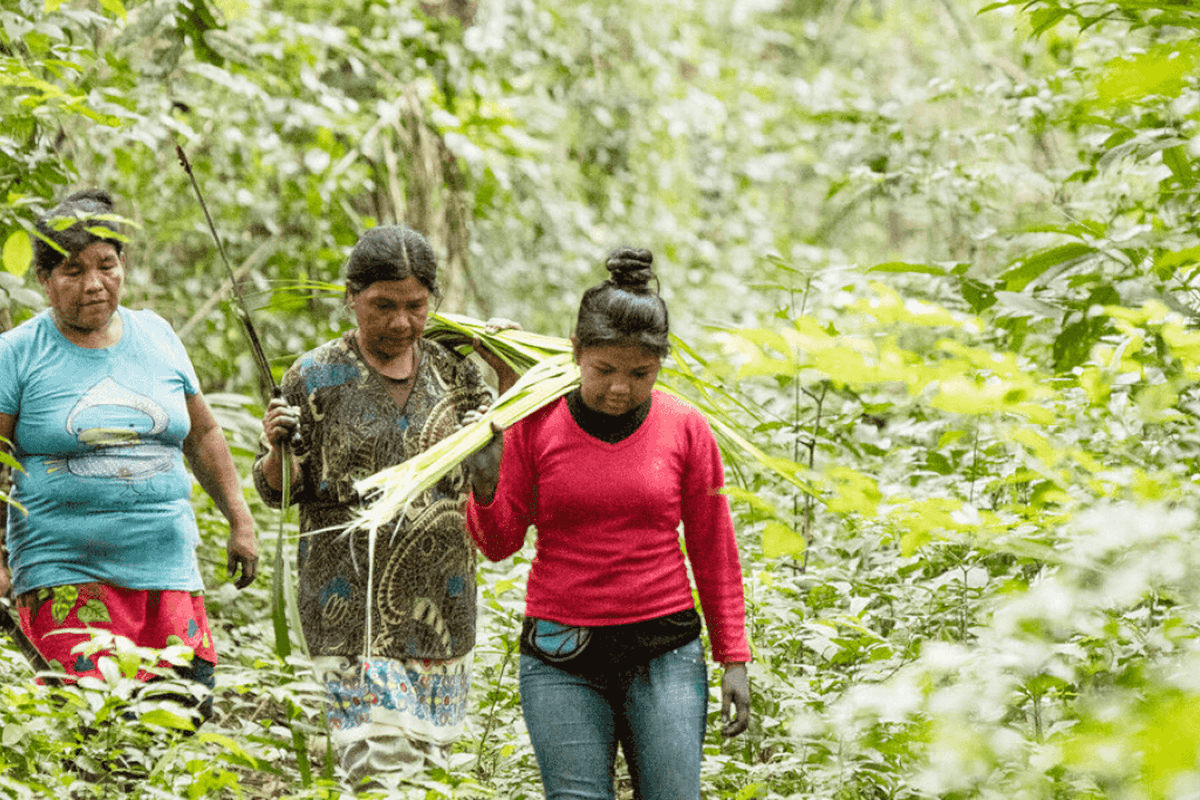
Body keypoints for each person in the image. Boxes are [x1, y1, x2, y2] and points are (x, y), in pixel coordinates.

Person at [464, 247, 752, 800]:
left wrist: (733, 656)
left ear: (660, 364)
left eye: (640, 373)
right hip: (560, 654)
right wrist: (482, 483)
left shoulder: (685, 428)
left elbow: (714, 547)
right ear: (576, 353)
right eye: (605, 370)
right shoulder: (535, 423)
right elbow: (500, 542)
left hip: (664, 648)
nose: (620, 387)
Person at [254, 225, 517, 792]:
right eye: (383, 306)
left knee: (428, 774)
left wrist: (505, 389)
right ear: (351, 296)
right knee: (378, 772)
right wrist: (277, 445)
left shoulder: (457, 373)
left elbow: (492, 482)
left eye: (416, 306)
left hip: (443, 610)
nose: (401, 322)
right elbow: (279, 491)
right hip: (349, 612)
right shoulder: (314, 377)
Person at [0, 189, 259, 716]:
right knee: (90, 734)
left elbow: (203, 435)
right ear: (44, 280)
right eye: (73, 271)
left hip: (167, 571)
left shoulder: (157, 335)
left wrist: (240, 518)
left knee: (179, 721)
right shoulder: (17, 354)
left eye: (107, 265)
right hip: (63, 573)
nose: (94, 284)